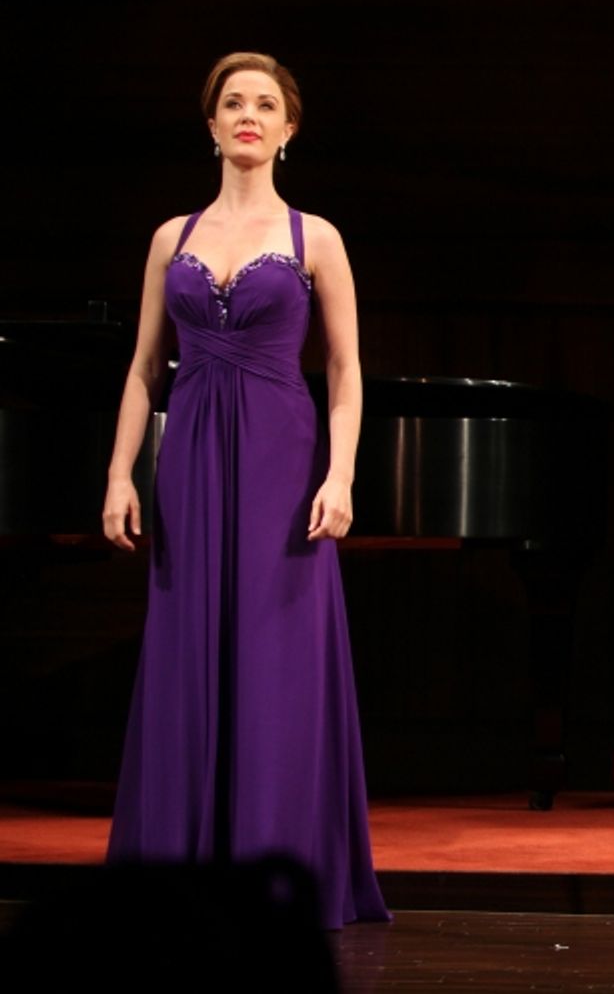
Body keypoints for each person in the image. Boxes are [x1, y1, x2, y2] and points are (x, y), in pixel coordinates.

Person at [102, 52, 390, 929]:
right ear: (213, 124)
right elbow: (145, 369)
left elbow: (345, 370)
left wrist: (341, 474)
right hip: (189, 458)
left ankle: (278, 865)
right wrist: (121, 473)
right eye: (233, 102)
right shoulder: (171, 237)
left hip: (280, 458)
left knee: (276, 656)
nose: (249, 115)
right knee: (188, 645)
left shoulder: (317, 238)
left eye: (266, 104)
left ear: (289, 129)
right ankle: (180, 873)